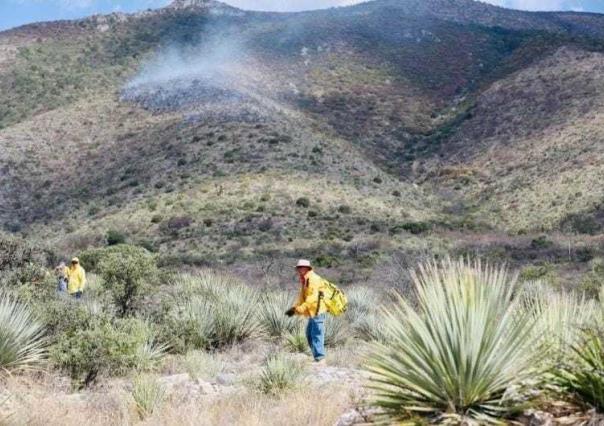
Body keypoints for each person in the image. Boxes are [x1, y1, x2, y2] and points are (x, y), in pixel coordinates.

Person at [285, 259, 328, 364]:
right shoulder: (305, 279)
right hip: (312, 312)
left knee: (316, 334)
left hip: (318, 311)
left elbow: (312, 298)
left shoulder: (313, 279)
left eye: (302, 267)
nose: (300, 269)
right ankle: (317, 357)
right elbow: (302, 297)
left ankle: (321, 358)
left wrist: (301, 308)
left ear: (307, 268)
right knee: (309, 334)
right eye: (298, 268)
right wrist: (294, 308)